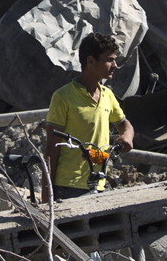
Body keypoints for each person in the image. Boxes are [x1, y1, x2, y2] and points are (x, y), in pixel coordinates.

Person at [43, 33, 134, 201]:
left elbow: (124, 123)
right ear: (91, 61)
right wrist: (46, 196)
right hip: (69, 187)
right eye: (109, 60)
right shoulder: (63, 97)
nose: (115, 65)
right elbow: (51, 149)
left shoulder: (107, 95)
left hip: (98, 184)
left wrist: (127, 136)